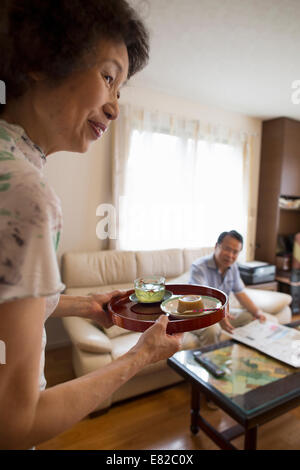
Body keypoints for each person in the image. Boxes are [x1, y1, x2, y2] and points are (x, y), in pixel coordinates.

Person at [0, 0, 182, 450]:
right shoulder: (28, 196)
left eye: (120, 90)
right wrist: (141, 357)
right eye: (108, 77)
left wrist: (84, 305)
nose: (115, 107)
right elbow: (15, 425)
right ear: (42, 58)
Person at [189, 230, 266, 346]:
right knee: (212, 329)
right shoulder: (199, 267)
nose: (230, 255)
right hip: (198, 314)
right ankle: (209, 361)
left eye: (235, 252)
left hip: (222, 314)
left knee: (250, 317)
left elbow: (241, 294)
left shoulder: (233, 267)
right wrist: (220, 314)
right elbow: (201, 300)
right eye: (227, 249)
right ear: (216, 246)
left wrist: (258, 312)